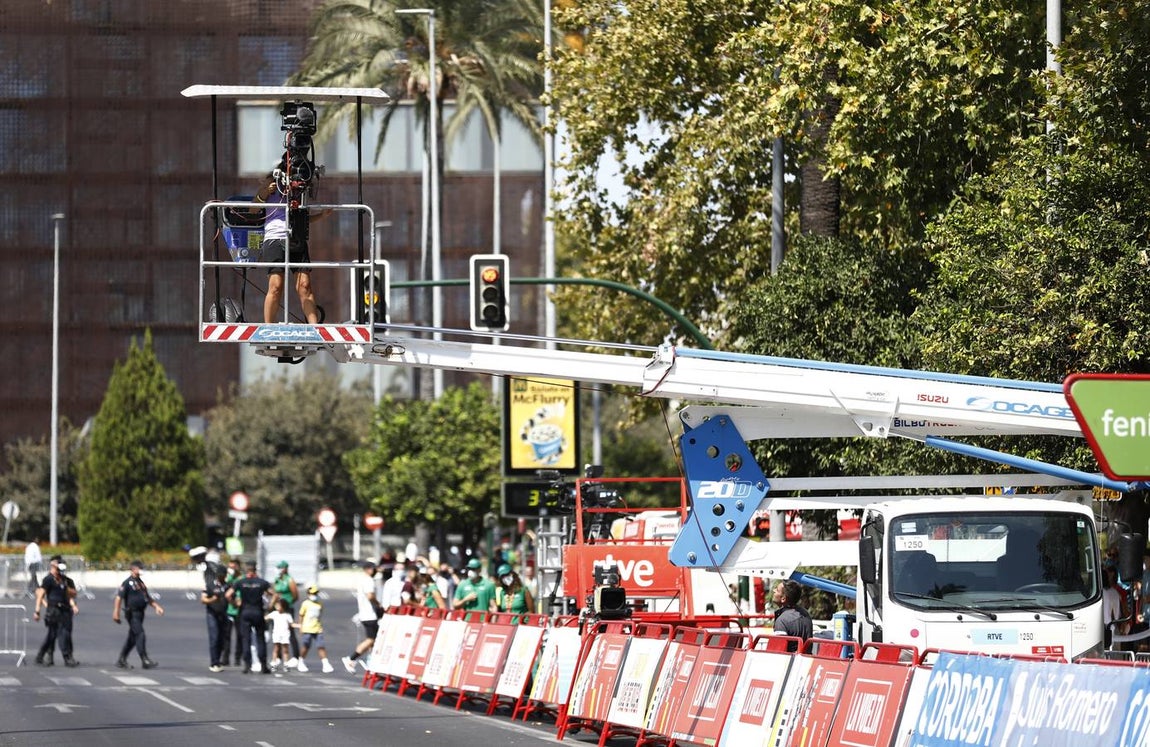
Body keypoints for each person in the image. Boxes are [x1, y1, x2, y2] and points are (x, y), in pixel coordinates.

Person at [254, 158, 326, 324]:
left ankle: (314, 328)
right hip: (275, 237)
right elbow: (253, 209)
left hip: (296, 237)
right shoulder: (272, 184)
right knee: (276, 285)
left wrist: (322, 215)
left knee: (305, 285)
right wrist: (264, 192)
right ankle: (269, 327)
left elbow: (302, 217)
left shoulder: (299, 187)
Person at [112, 559, 164, 669]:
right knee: (140, 634)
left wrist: (156, 606)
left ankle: (121, 659)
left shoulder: (140, 582)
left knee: (132, 638)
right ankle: (144, 659)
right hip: (132, 613)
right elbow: (118, 597)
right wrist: (116, 612)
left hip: (140, 613)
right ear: (133, 569)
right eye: (139, 568)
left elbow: (147, 597)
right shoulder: (127, 583)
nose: (141, 571)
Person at [227, 560, 272, 675]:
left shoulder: (240, 582)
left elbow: (228, 594)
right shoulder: (262, 582)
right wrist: (270, 606)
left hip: (245, 612)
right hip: (258, 611)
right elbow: (274, 594)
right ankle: (263, 665)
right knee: (260, 638)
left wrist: (234, 603)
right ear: (255, 569)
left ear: (247, 570)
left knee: (246, 639)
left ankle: (247, 665)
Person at [33, 555, 79, 667]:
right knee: (56, 635)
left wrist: (73, 605)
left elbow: (71, 595)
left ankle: (43, 656)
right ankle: (63, 657)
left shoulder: (65, 581)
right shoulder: (48, 579)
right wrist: (37, 611)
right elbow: (40, 594)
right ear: (53, 567)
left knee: (59, 634)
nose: (59, 571)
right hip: (53, 610)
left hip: (65, 610)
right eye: (57, 568)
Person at [342, 560, 380, 673]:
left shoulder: (363, 580)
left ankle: (371, 662)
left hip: (364, 614)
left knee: (373, 640)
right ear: (368, 569)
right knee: (372, 639)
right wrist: (378, 605)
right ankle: (351, 658)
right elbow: (370, 596)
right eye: (373, 569)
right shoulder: (368, 581)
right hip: (370, 614)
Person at [296, 584, 334, 673]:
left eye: (315, 593)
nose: (314, 595)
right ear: (308, 594)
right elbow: (301, 615)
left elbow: (319, 615)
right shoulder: (305, 604)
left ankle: (325, 663)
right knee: (306, 646)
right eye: (312, 593)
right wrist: (301, 627)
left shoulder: (319, 604)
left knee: (321, 646)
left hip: (317, 628)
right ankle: (301, 661)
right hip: (307, 628)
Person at [200, 565, 230, 672]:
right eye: (220, 575)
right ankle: (214, 662)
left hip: (224, 614)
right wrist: (213, 599)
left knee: (222, 639)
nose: (221, 577)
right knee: (214, 637)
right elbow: (203, 600)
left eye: (223, 575)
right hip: (212, 614)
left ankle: (218, 658)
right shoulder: (209, 585)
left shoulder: (228, 586)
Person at [271, 560, 301, 666]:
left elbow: (295, 595)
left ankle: (296, 656)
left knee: (290, 632)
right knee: (278, 631)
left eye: (280, 568)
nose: (278, 570)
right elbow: (274, 592)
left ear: (285, 568)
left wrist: (287, 604)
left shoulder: (289, 580)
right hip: (278, 609)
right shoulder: (277, 580)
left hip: (287, 609)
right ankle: (278, 656)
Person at [772, 579, 813, 648]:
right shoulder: (805, 613)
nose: (774, 590)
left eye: (777, 590)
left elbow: (778, 651)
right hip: (806, 657)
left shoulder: (782, 621)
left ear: (783, 598)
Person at [221, 558, 243, 666]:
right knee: (226, 635)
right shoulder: (228, 578)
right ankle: (225, 657)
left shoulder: (242, 578)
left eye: (234, 567)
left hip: (239, 610)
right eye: (230, 567)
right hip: (228, 609)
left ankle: (238, 657)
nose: (232, 569)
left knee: (240, 634)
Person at [266, 598, 295, 673]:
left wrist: (300, 626)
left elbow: (292, 624)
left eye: (279, 605)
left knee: (285, 650)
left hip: (285, 634)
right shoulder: (274, 613)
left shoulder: (287, 615)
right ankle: (274, 664)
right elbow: (266, 618)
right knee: (276, 649)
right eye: (276, 605)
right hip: (276, 634)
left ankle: (286, 664)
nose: (277, 607)